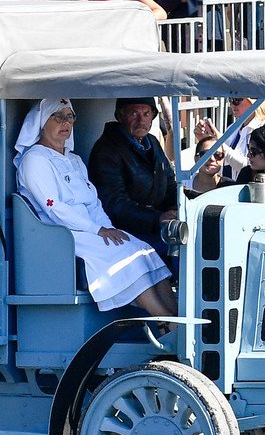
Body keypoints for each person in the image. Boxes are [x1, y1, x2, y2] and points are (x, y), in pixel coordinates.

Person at [15, 98, 177, 316]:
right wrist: (97, 230)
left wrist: (106, 227)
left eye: (70, 116)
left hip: (92, 229)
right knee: (127, 259)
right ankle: (166, 320)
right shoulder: (35, 159)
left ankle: (178, 321)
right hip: (64, 235)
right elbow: (55, 209)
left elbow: (94, 202)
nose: (66, 123)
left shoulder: (74, 160)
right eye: (58, 116)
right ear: (42, 122)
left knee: (144, 251)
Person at [87, 97, 180, 260]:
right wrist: (157, 218)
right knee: (180, 251)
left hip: (157, 226)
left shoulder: (151, 141)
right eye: (134, 113)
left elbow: (170, 184)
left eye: (146, 114)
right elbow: (115, 204)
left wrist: (182, 205)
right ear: (120, 116)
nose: (141, 120)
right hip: (125, 232)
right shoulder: (106, 150)